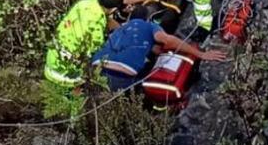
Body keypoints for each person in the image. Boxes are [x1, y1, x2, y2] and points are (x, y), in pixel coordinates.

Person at [91, 6, 228, 92]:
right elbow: (167, 40)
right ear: (148, 18)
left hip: (96, 68)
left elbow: (142, 46)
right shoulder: (149, 26)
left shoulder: (120, 29)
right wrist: (201, 54)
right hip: (122, 74)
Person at [43, 0, 125, 116]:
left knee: (53, 97)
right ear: (113, 10)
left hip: (52, 57)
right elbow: (95, 50)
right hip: (67, 72)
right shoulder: (97, 25)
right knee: (74, 97)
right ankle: (73, 119)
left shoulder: (83, 4)